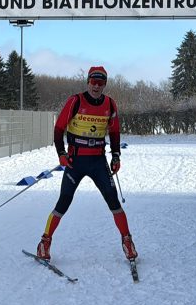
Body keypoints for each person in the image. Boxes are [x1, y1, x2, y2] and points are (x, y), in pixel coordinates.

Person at [36, 66, 137, 262]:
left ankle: (127, 241)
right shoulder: (76, 101)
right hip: (76, 161)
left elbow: (114, 133)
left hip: (98, 161)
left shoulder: (110, 104)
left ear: (105, 84)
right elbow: (58, 130)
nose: (96, 86)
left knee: (113, 200)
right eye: (93, 82)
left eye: (100, 83)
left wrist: (116, 156)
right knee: (63, 201)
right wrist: (61, 154)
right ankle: (45, 242)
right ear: (88, 82)